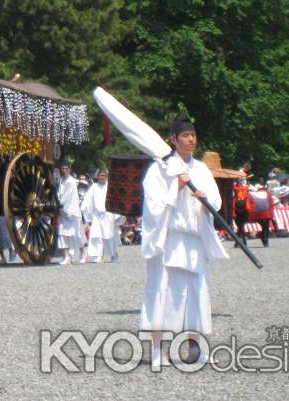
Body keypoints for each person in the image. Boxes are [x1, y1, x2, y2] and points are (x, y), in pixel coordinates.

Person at [140, 113, 227, 368]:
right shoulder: (160, 168)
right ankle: (158, 350)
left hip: (193, 240)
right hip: (168, 239)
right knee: (161, 292)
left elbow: (216, 202)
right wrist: (176, 187)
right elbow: (152, 204)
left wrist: (204, 199)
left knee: (195, 294)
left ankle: (194, 348)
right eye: (186, 136)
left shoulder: (200, 169)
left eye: (193, 135)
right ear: (173, 140)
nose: (191, 140)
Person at [82, 168, 124, 263]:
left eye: (103, 176)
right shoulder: (94, 187)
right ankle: (99, 255)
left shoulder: (111, 187)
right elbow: (88, 200)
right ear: (97, 176)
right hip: (97, 215)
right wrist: (84, 209)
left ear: (106, 177)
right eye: (100, 175)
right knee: (97, 236)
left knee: (109, 236)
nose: (102, 177)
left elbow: (116, 201)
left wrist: (117, 216)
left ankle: (113, 254)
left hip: (108, 214)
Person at [56, 163, 86, 265]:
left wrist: (62, 204)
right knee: (62, 234)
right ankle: (66, 256)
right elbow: (60, 194)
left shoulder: (72, 182)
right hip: (63, 211)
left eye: (66, 168)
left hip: (72, 211)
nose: (64, 170)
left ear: (70, 169)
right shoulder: (61, 181)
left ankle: (83, 252)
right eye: (63, 168)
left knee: (76, 235)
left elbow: (71, 197)